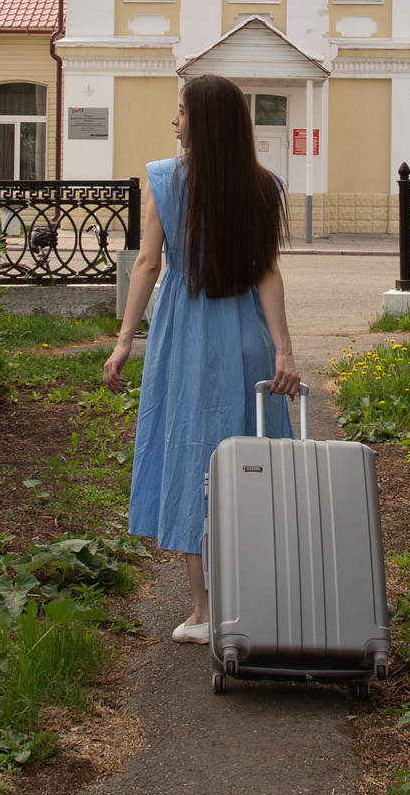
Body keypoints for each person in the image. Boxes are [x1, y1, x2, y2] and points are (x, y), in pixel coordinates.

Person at [101, 73, 301, 643]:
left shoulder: (165, 180)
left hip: (185, 333)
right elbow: (266, 271)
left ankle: (204, 614)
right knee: (251, 453)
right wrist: (284, 351)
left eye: (182, 110)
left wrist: (123, 341)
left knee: (194, 456)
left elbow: (147, 265)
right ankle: (260, 599)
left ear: (203, 122)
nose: (174, 120)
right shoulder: (266, 186)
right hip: (244, 334)